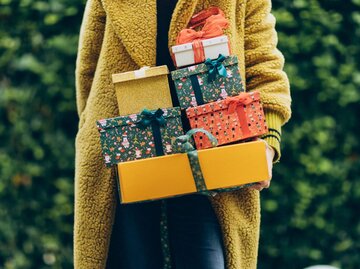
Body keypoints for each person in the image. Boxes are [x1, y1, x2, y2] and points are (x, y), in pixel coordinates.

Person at [74, 0, 291, 268]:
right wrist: (94, 136)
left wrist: (268, 142)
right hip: (127, 160)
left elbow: (265, 66)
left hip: (214, 162)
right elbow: (89, 71)